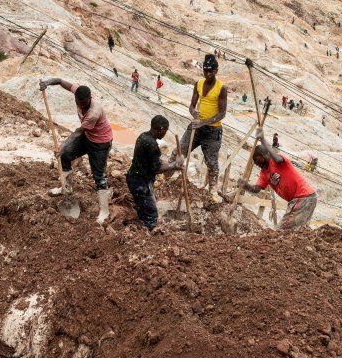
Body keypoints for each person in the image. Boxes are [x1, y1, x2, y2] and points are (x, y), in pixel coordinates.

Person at [39, 78, 114, 222]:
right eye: (78, 102)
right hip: (88, 136)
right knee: (65, 155)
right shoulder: (79, 92)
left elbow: (79, 131)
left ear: (89, 99)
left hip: (100, 143)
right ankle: (66, 187)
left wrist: (62, 145)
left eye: (83, 103)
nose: (80, 105)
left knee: (99, 176)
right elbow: (60, 81)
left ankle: (104, 211)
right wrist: (47, 83)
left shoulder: (94, 112)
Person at [237, 128, 317, 230]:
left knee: (281, 231)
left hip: (303, 197)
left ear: (263, 155)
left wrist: (262, 139)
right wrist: (245, 185)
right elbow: (256, 189)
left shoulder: (277, 160)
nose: (256, 163)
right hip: (300, 199)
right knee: (297, 231)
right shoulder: (264, 173)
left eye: (256, 160)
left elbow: (278, 159)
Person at [180, 54, 227, 190]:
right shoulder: (199, 84)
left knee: (211, 163)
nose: (207, 74)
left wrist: (204, 122)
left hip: (213, 131)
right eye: (205, 71)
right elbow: (192, 105)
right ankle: (165, 178)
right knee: (179, 152)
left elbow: (222, 113)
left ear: (216, 71)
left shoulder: (221, 88)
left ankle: (213, 191)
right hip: (196, 126)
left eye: (210, 71)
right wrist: (193, 112)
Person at [127, 115, 181, 230]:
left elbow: (152, 160)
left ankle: (141, 222)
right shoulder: (152, 145)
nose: (165, 133)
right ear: (160, 129)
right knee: (151, 214)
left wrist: (170, 164)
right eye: (165, 130)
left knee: (143, 206)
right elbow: (156, 169)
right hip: (140, 183)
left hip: (134, 177)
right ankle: (148, 234)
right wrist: (174, 165)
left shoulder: (143, 136)